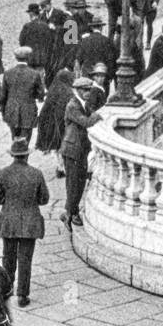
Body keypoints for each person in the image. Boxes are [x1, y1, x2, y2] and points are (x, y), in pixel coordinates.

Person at [0, 138, 50, 306]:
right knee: (25, 260)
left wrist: (8, 200)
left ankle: (7, 290)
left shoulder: (3, 173)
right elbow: (44, 198)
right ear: (26, 156)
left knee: (8, 258)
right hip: (30, 223)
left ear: (13, 156)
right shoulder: (36, 173)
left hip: (9, 221)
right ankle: (22, 295)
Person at [60, 75, 98, 227]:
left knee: (79, 182)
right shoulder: (73, 105)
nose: (88, 92)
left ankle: (70, 211)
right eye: (85, 90)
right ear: (77, 90)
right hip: (72, 150)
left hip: (80, 149)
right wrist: (97, 116)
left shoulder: (83, 104)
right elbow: (86, 122)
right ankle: (71, 214)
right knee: (74, 183)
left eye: (89, 89)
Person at [0, 47, 46, 145]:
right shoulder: (34, 74)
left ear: (16, 58)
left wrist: (2, 110)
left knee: (14, 137)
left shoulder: (8, 73)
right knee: (26, 139)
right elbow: (41, 93)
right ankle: (23, 159)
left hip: (11, 110)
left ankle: (16, 158)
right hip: (28, 110)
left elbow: (2, 95)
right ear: (28, 58)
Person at [35, 66, 73, 176]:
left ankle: (59, 166)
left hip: (52, 124)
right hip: (63, 124)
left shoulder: (53, 90)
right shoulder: (68, 92)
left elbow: (45, 110)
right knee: (62, 146)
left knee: (56, 147)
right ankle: (62, 167)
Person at [18, 2, 53, 71]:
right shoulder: (45, 26)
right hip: (42, 58)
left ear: (31, 14)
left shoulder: (27, 26)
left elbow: (21, 41)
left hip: (29, 58)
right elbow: (50, 42)